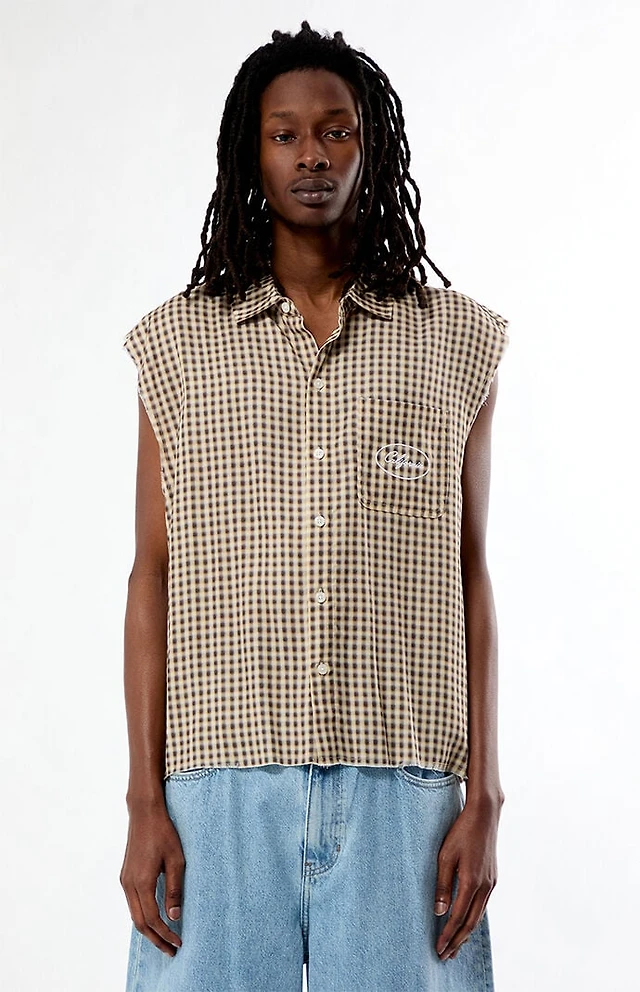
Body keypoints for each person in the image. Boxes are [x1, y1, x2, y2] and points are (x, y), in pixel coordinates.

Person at [119, 21, 509, 992]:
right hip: (218, 787)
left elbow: (469, 572)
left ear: (370, 147)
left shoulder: (452, 341)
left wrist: (484, 796)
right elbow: (151, 574)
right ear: (250, 154)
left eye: (336, 131)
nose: (311, 155)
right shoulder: (178, 345)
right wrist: (143, 800)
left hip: (403, 787)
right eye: (285, 134)